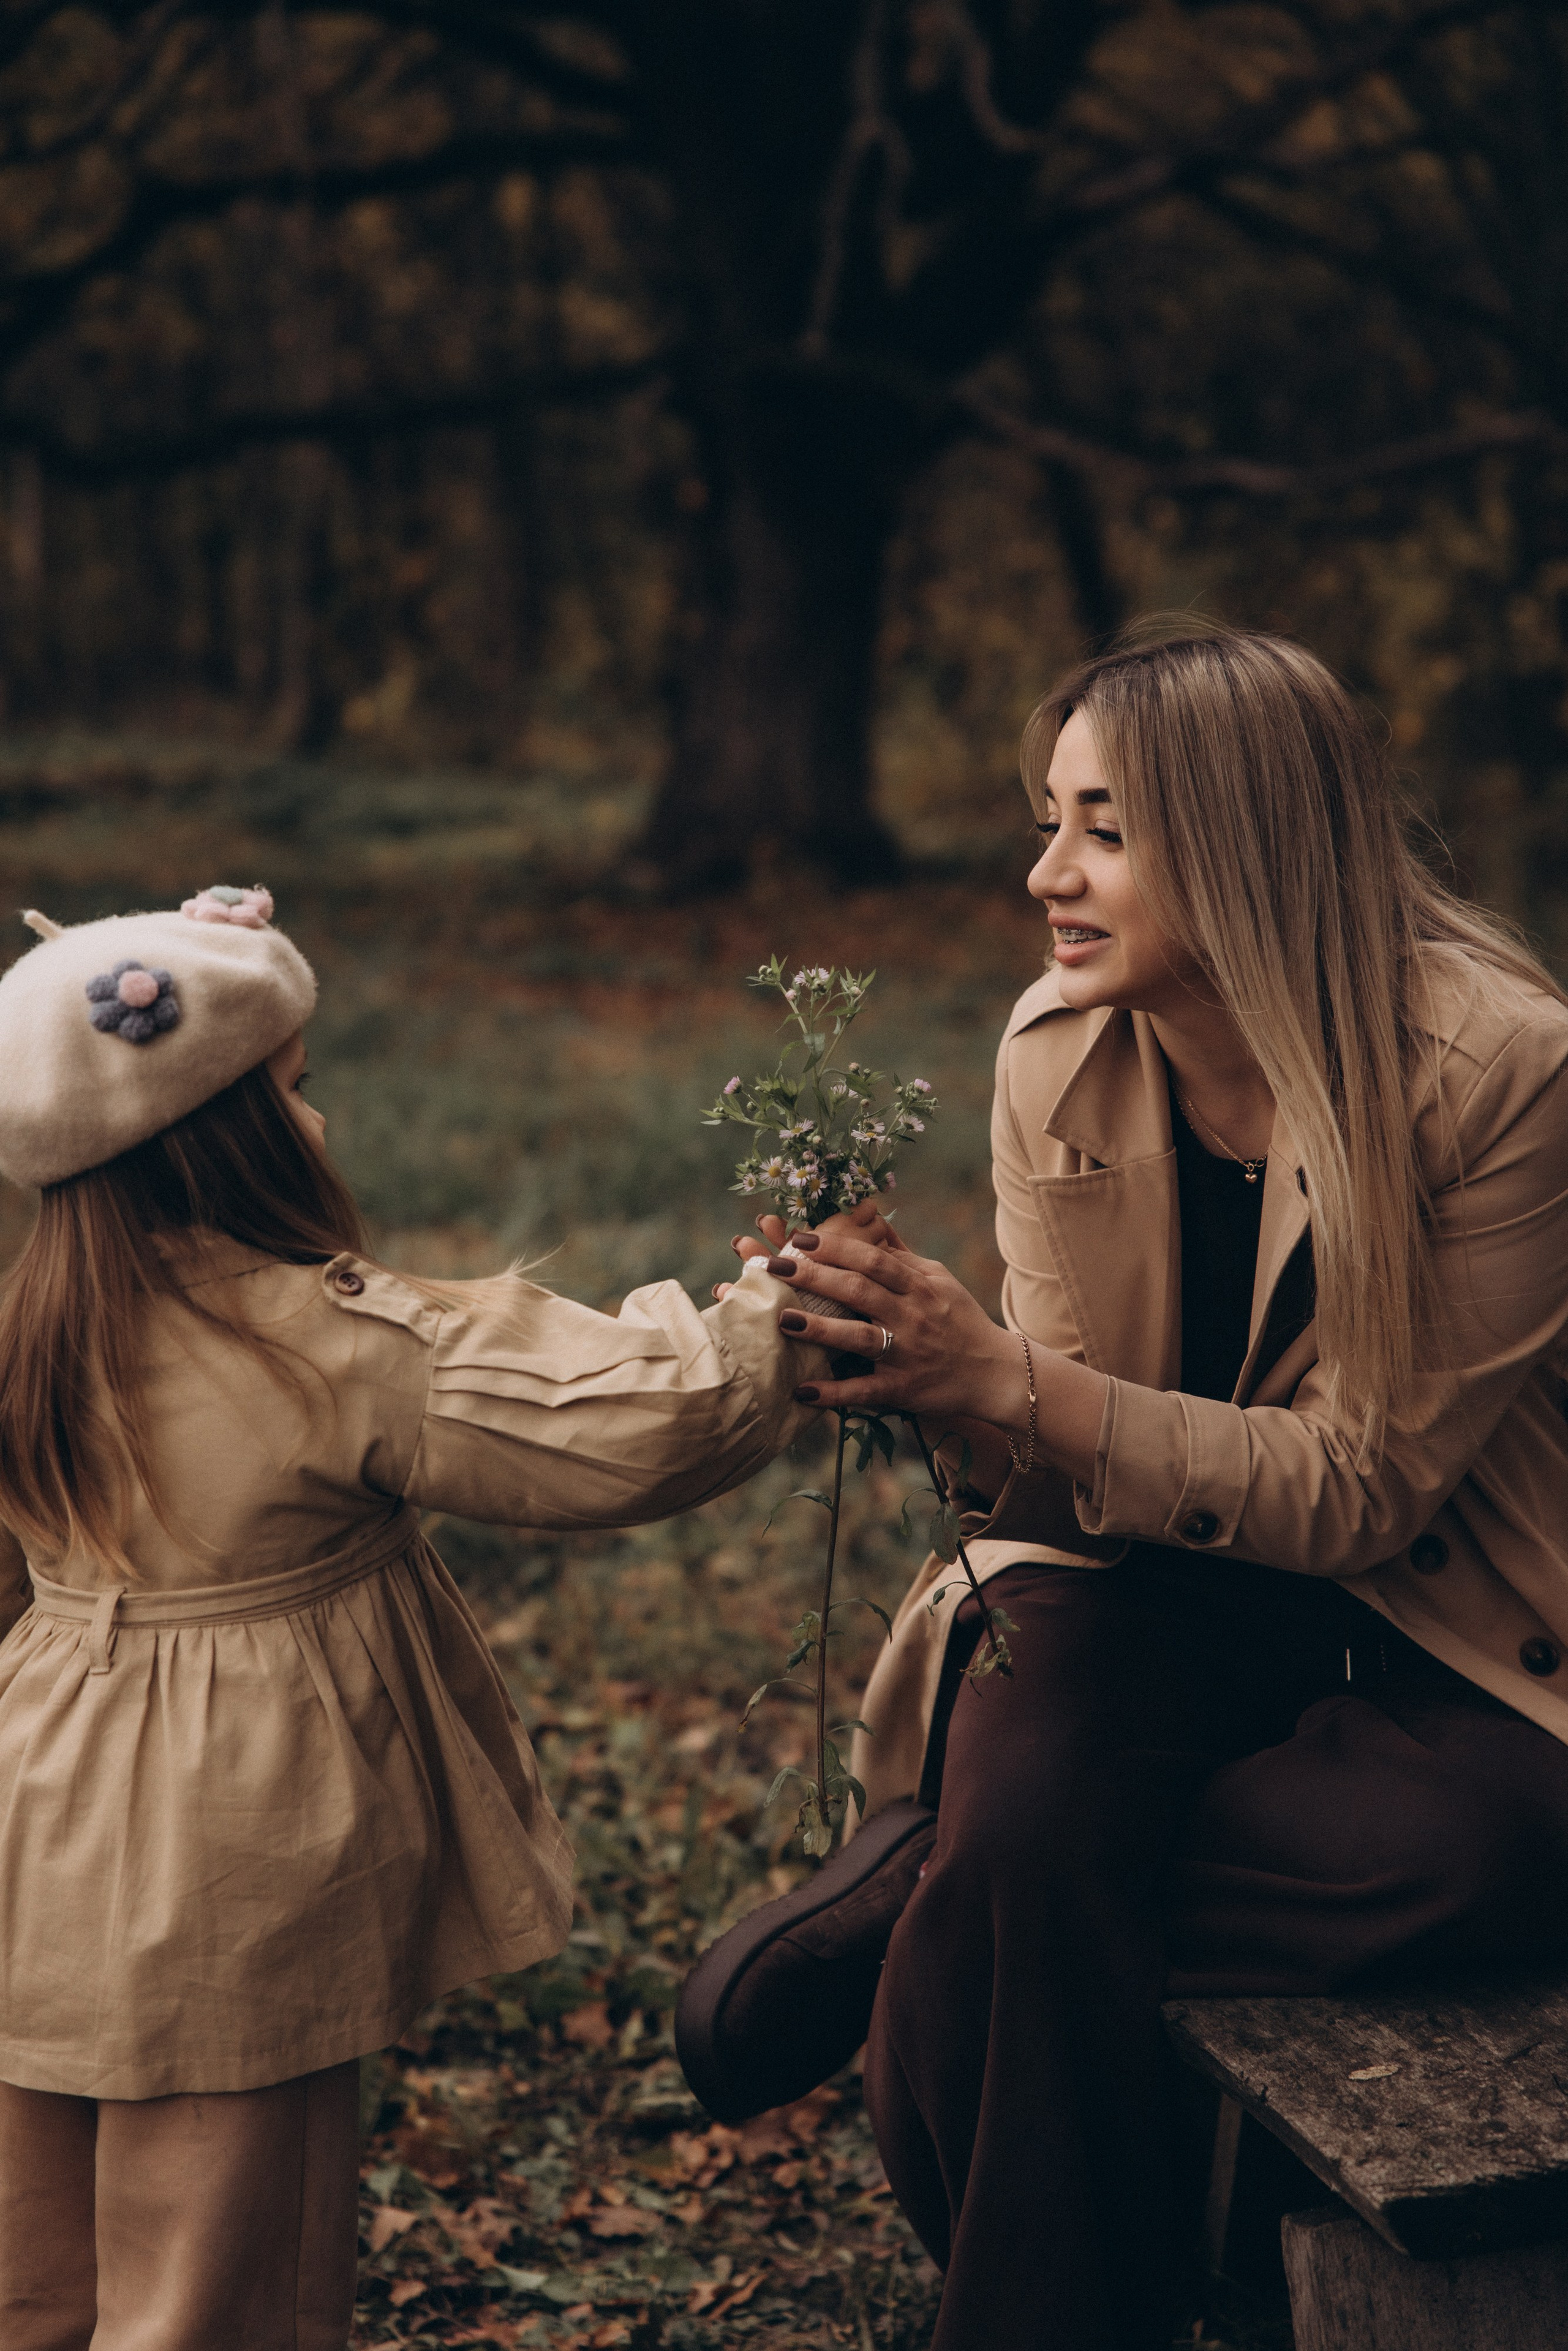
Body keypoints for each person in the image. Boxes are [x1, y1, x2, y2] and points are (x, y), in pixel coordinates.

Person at [688, 624, 1568, 2350]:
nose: (1046, 875)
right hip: (1154, 1566)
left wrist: (1009, 1372)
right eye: (1047, 819)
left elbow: (1368, 1490)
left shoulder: (1505, 1068)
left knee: (1446, 1855)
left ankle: (934, 1889)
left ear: (1236, 843)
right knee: (1037, 1811)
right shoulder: (1059, 1050)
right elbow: (1063, 1473)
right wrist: (913, 1372)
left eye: (1099, 828)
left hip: (1462, 1613)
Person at [0, 888, 827, 2351]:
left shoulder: (29, 1328)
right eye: (295, 1096)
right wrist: (772, 1313)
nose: (318, 1128)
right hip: (226, 1855)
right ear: (232, 1139)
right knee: (216, 2259)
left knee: (35, 2229)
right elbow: (614, 1424)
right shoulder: (326, 1338)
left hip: (32, 1806)